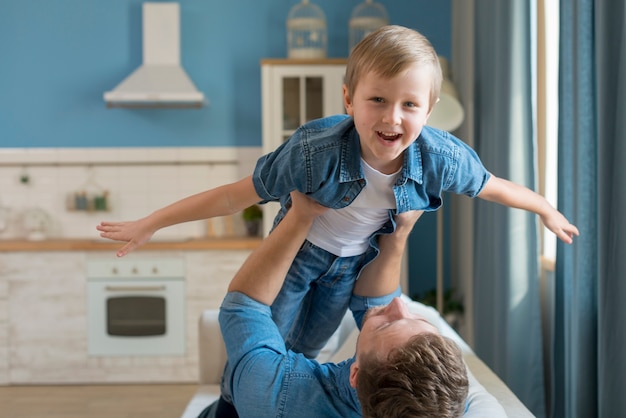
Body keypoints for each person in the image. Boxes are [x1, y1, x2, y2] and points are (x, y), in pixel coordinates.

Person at [97, 25, 579, 359]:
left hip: (352, 268)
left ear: (429, 110)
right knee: (263, 345)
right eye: (377, 100)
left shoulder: (441, 156)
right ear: (348, 99)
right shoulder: (314, 150)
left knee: (309, 347)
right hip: (297, 256)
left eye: (409, 105)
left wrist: (545, 209)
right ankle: (229, 405)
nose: (392, 118)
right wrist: (152, 222)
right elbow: (233, 196)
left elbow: (493, 187)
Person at [199, 191, 469, 418]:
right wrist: (400, 230)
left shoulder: (277, 394)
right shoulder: (428, 406)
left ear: (356, 375)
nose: (398, 304)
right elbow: (373, 302)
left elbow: (243, 306)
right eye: (417, 320)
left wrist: (300, 217)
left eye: (386, 326)